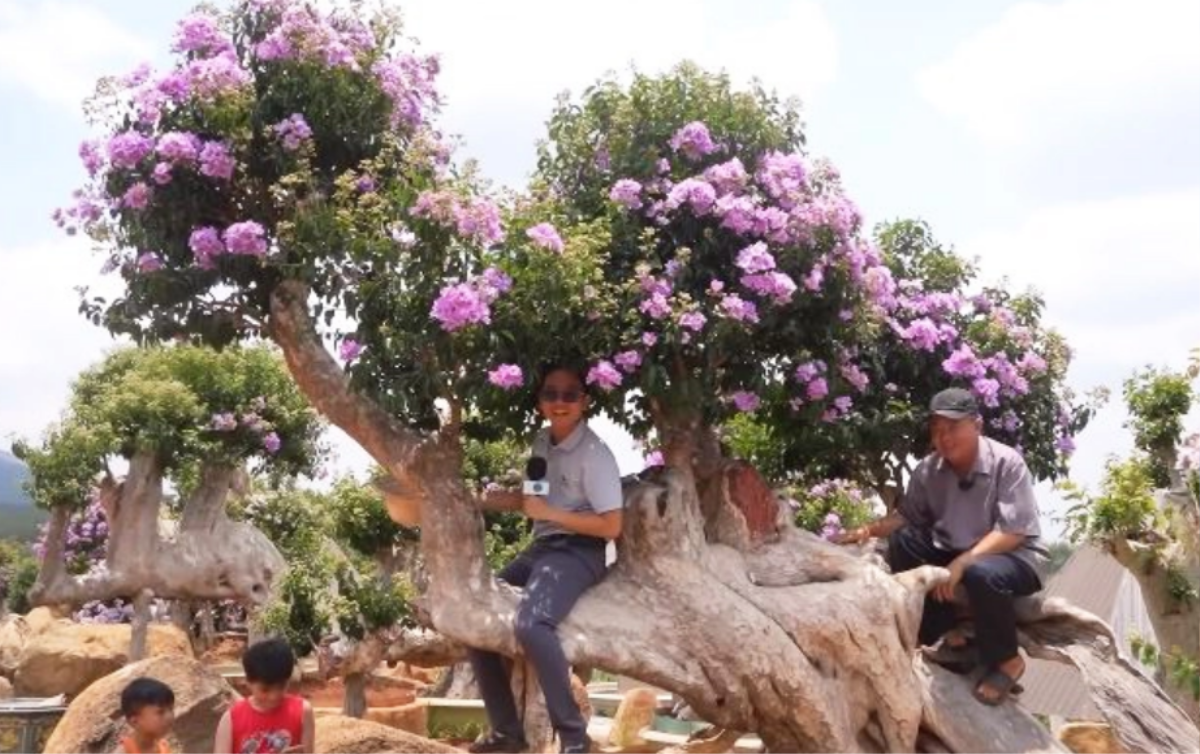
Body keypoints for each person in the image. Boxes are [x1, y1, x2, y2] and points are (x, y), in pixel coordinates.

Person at [838, 387, 1046, 706]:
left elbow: (1013, 531)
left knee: (980, 572)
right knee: (905, 542)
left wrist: (962, 563)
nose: (944, 437)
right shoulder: (928, 470)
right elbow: (907, 517)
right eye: (936, 430)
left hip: (1013, 557)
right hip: (956, 552)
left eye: (952, 428)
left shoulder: (1008, 463)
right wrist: (867, 530)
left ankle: (1007, 660)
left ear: (977, 425)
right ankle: (950, 635)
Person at [467, 364, 625, 754]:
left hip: (579, 551)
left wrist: (550, 515)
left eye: (570, 394)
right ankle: (507, 732)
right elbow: (530, 502)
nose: (560, 402)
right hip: (541, 548)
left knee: (533, 624)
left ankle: (574, 738)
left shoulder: (596, 455)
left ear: (584, 401)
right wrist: (472, 497)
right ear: (539, 401)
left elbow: (611, 526)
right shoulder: (541, 442)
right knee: (476, 618)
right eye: (550, 394)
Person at [214, 637, 314, 754]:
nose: (274, 696)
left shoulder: (302, 711)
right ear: (248, 683)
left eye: (281, 686)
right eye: (265, 690)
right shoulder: (231, 719)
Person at [118, 677, 175, 754]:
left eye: (171, 709)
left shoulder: (163, 747)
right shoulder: (124, 751)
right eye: (160, 712)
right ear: (135, 721)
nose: (169, 716)